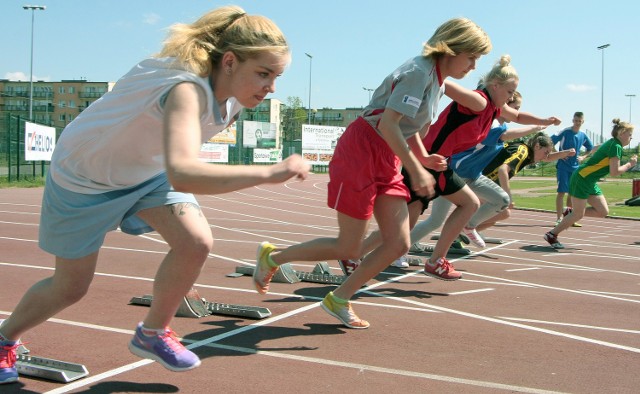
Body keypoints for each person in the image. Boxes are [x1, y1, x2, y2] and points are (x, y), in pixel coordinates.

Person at [0, 5, 310, 384]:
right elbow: (184, 172)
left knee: (195, 241)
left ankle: (153, 332)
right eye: (263, 74)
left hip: (147, 175)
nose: (271, 87)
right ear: (229, 61)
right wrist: (269, 172)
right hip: (83, 179)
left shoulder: (230, 103)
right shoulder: (185, 88)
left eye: (276, 76)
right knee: (70, 288)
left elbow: (173, 167)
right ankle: (3, 339)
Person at [253, 17, 492, 329]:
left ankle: (339, 298)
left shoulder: (438, 82)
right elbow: (388, 124)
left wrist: (423, 157)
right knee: (349, 247)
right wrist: (415, 168)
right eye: (472, 57)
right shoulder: (418, 73)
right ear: (453, 48)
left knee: (398, 243)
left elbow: (410, 127)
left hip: (387, 154)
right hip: (362, 150)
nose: (473, 66)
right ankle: (273, 257)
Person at [408, 90, 561, 255]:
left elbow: (512, 131)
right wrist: (536, 127)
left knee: (501, 200)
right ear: (505, 106)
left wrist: (559, 148)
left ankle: (467, 226)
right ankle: (404, 244)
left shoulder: (502, 126)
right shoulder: (490, 123)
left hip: (474, 176)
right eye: (515, 107)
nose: (516, 111)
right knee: (435, 220)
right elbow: (504, 136)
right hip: (455, 174)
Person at [544, 119, 636, 249]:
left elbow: (595, 149)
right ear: (621, 133)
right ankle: (552, 234)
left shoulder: (612, 143)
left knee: (603, 211)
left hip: (589, 181)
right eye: (630, 134)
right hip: (582, 178)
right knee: (578, 214)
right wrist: (629, 164)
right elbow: (614, 172)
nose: (632, 137)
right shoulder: (615, 146)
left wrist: (586, 155)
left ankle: (570, 212)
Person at [474, 132, 576, 231]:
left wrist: (565, 153)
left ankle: (464, 232)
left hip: (480, 181)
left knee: (492, 218)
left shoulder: (528, 154)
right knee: (503, 212)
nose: (546, 156)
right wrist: (508, 197)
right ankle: (464, 229)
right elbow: (502, 170)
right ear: (537, 146)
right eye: (545, 152)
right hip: (475, 179)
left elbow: (548, 158)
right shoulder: (522, 151)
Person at [551, 112, 594, 226]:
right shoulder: (565, 131)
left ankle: (569, 218)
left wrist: (583, 157)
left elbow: (590, 148)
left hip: (575, 168)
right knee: (561, 192)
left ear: (582, 121)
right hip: (563, 167)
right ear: (572, 120)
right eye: (575, 120)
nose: (577, 123)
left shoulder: (583, 135)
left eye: (579, 121)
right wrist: (559, 154)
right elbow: (550, 142)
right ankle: (559, 218)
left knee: (572, 193)